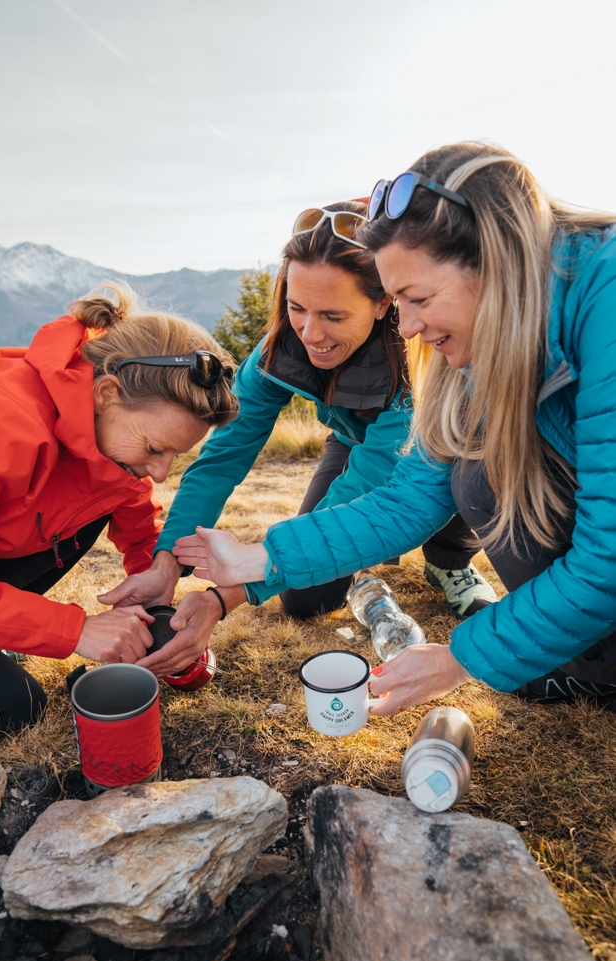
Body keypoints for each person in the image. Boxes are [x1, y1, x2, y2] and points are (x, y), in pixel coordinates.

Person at [172, 143, 616, 716]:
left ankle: (589, 659)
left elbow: (607, 557)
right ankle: (588, 662)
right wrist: (256, 561)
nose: (406, 327)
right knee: (474, 477)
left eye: (418, 299)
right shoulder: (486, 336)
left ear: (496, 262)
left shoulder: (604, 302)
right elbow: (412, 497)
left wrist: (462, 659)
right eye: (397, 300)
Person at [103, 202, 495, 672]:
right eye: (296, 307)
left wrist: (222, 599)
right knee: (304, 598)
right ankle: (365, 559)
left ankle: (450, 560)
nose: (310, 333)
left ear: (383, 301)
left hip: (417, 452)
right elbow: (224, 454)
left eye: (332, 315)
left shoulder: (416, 367)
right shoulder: (277, 352)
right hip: (349, 441)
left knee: (448, 474)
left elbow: (377, 489)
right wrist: (167, 563)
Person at [0, 283, 238, 735]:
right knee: (10, 708)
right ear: (108, 393)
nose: (160, 473)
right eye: (155, 448)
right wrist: (75, 631)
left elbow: (135, 516)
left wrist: (160, 575)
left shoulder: (95, 427)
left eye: (174, 455)